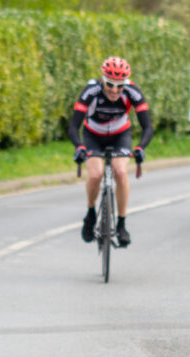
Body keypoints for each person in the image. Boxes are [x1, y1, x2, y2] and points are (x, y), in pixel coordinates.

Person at [69, 56, 154, 247]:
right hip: (93, 135)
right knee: (95, 174)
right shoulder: (91, 91)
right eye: (110, 84)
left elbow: (148, 126)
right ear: (102, 79)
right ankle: (90, 214)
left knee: (121, 172)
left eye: (120, 85)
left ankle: (121, 224)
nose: (115, 90)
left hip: (120, 135)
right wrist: (79, 147)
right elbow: (73, 126)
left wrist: (140, 147)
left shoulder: (133, 92)